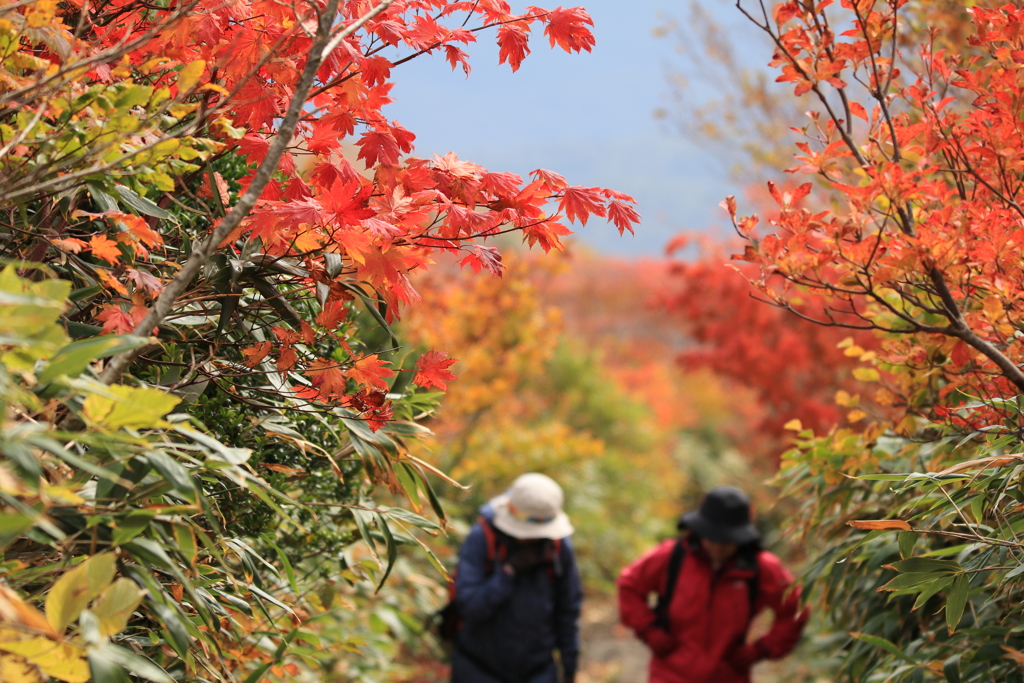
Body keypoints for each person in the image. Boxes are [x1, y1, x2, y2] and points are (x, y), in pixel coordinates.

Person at [617, 486, 808, 683]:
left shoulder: (762, 567)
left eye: (726, 541)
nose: (717, 547)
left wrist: (763, 648)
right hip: (669, 674)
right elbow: (629, 585)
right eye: (712, 538)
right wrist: (648, 630)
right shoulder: (672, 556)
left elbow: (796, 608)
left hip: (729, 676)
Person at [450, 472, 583, 683]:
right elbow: (469, 607)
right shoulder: (483, 538)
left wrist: (570, 664)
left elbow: (568, 608)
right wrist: (508, 572)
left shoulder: (558, 547)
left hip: (538, 671)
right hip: (478, 669)